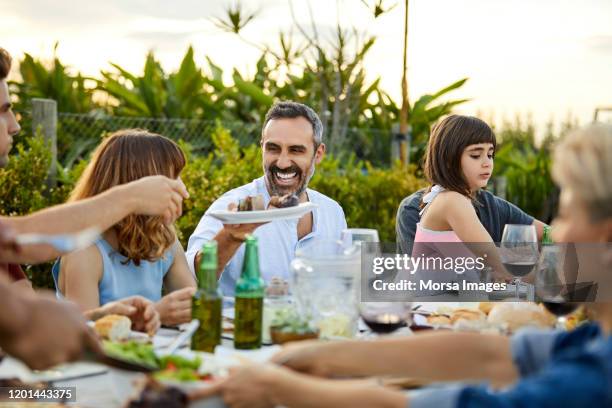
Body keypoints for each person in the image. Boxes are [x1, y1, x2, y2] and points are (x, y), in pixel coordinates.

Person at [195, 124, 612, 408]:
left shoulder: (590, 383)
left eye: (565, 213)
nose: (553, 230)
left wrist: (276, 385)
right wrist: (319, 354)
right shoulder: (593, 343)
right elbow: (488, 353)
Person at [0, 47, 186, 369]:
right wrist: (129, 198)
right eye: (3, 110)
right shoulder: (87, 250)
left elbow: (20, 242)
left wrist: (100, 318)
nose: (15, 125)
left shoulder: (163, 239)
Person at [186, 101, 347, 295]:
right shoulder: (235, 207)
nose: (283, 162)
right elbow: (191, 277)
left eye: (296, 150)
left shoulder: (333, 212)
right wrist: (230, 237)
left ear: (318, 154)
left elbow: (346, 283)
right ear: (262, 148)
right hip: (245, 323)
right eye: (273, 149)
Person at [53, 130, 196, 326]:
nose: (183, 189)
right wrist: (154, 314)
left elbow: (193, 306)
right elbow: (81, 334)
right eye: (173, 176)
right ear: (138, 181)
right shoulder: (84, 251)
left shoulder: (163, 236)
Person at [396, 116, 546, 256]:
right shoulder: (414, 208)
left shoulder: (490, 204)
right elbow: (492, 264)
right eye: (475, 155)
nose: (487, 163)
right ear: (448, 159)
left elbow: (546, 233)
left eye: (490, 155)